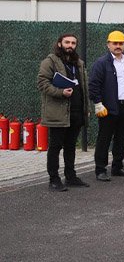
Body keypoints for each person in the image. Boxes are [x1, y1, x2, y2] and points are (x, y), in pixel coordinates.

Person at [38, 33, 90, 190]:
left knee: (71, 146)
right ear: (59, 44)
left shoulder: (79, 63)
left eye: (73, 43)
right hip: (58, 113)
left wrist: (85, 109)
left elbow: (84, 88)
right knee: (55, 147)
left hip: (76, 112)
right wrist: (61, 92)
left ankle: (71, 177)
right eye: (67, 42)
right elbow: (42, 83)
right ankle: (54, 179)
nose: (70, 45)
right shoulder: (50, 61)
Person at [89, 30, 124, 181]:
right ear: (108, 45)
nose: (118, 46)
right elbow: (94, 85)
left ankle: (117, 167)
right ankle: (100, 170)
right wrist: (98, 104)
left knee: (121, 138)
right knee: (104, 139)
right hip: (107, 107)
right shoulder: (101, 63)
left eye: (121, 43)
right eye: (115, 43)